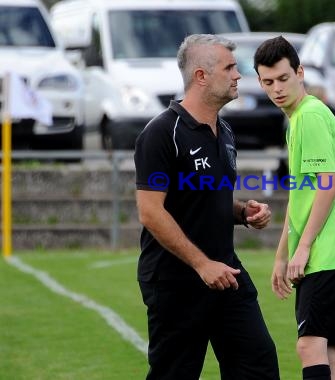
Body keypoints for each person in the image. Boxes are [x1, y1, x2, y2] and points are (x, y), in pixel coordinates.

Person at [134, 34, 280, 380]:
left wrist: (243, 212)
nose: (238, 75)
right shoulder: (161, 133)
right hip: (176, 281)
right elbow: (151, 211)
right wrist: (201, 264)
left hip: (226, 274)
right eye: (230, 67)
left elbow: (207, 196)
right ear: (201, 76)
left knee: (258, 365)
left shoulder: (225, 131)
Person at [254, 36, 335, 380]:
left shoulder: (310, 116)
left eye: (283, 78)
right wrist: (281, 253)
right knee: (328, 353)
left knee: (310, 346)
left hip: (327, 252)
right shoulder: (300, 117)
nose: (277, 88)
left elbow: (328, 183)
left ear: (299, 72)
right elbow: (301, 193)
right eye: (268, 82)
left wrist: (302, 248)